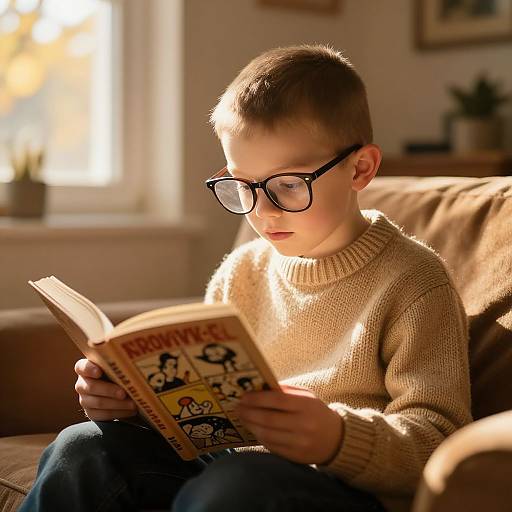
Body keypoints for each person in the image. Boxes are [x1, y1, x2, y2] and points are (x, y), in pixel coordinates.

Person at [20, 44, 472, 512]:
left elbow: (441, 441)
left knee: (236, 482)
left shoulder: (415, 281)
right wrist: (132, 403)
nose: (263, 209)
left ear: (360, 169)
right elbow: (206, 414)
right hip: (225, 470)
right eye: (243, 185)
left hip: (333, 488)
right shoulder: (243, 270)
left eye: (289, 184)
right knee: (82, 448)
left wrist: (338, 437)